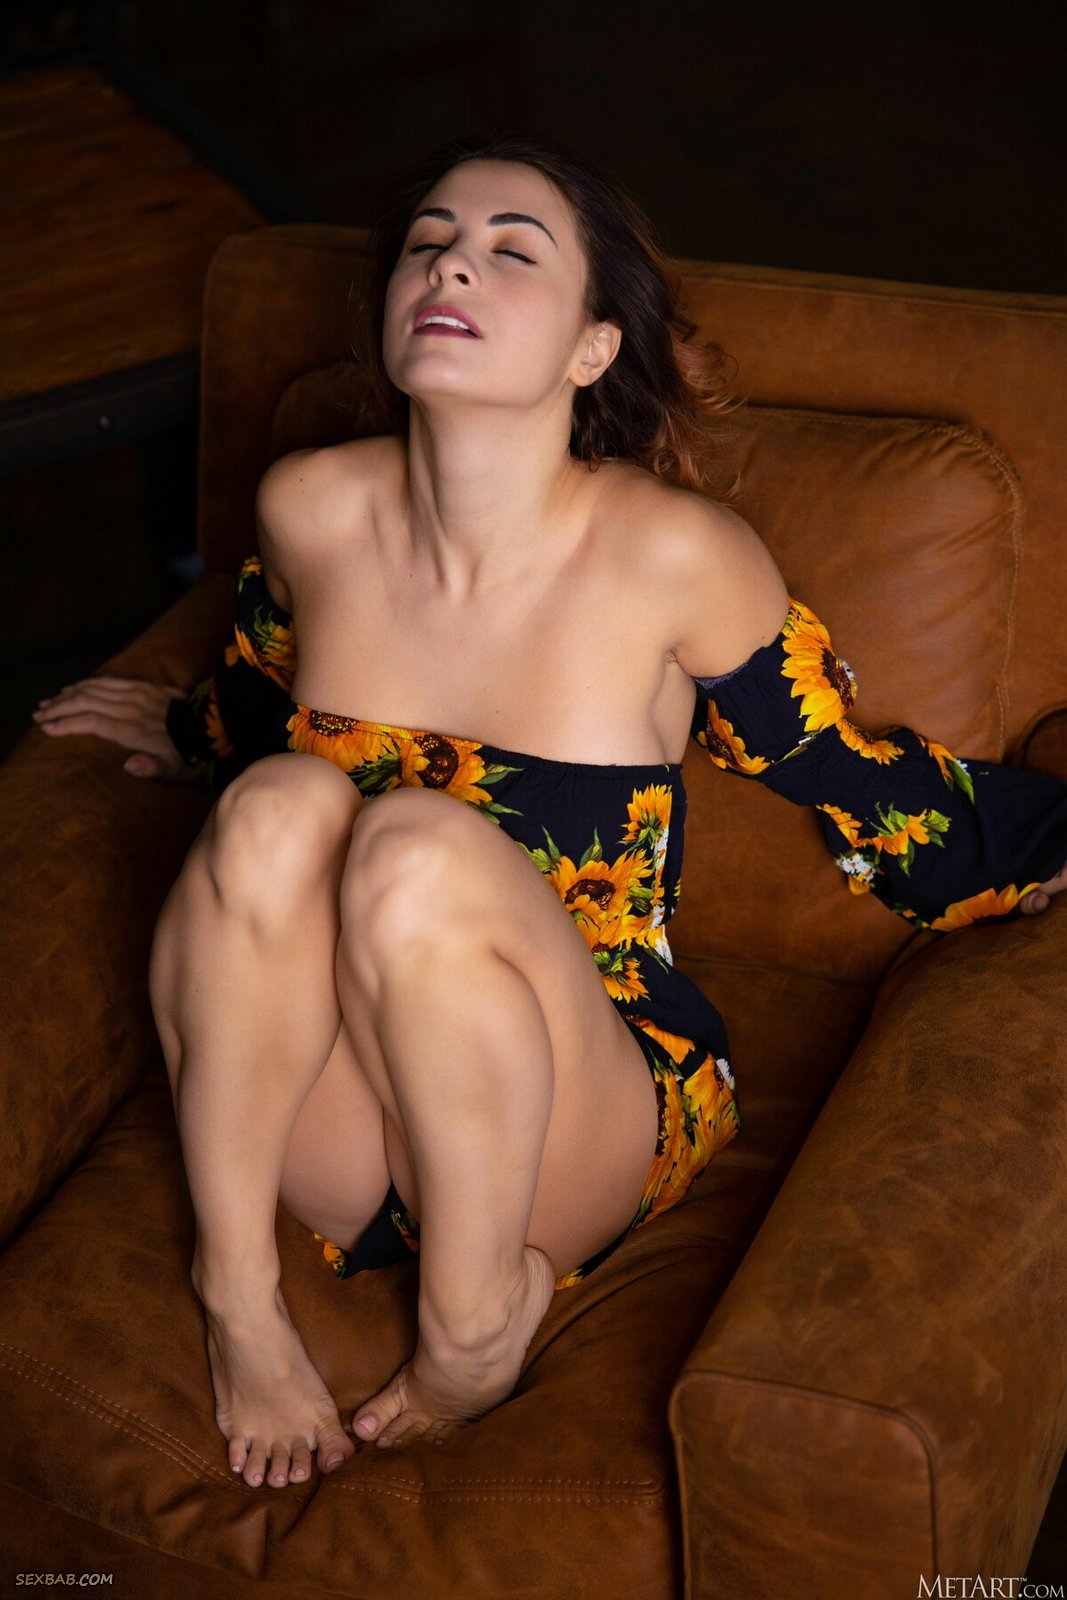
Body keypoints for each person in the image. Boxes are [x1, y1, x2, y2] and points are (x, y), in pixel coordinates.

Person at [34, 133, 1067, 1494]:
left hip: (574, 1120)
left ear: (592, 349)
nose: (451, 264)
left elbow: (851, 775)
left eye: (511, 252)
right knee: (279, 801)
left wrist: (1040, 844)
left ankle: (471, 1328)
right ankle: (237, 1298)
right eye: (428, 242)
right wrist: (182, 736)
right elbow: (257, 692)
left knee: (412, 846)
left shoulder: (673, 558)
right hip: (335, 1114)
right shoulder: (312, 508)